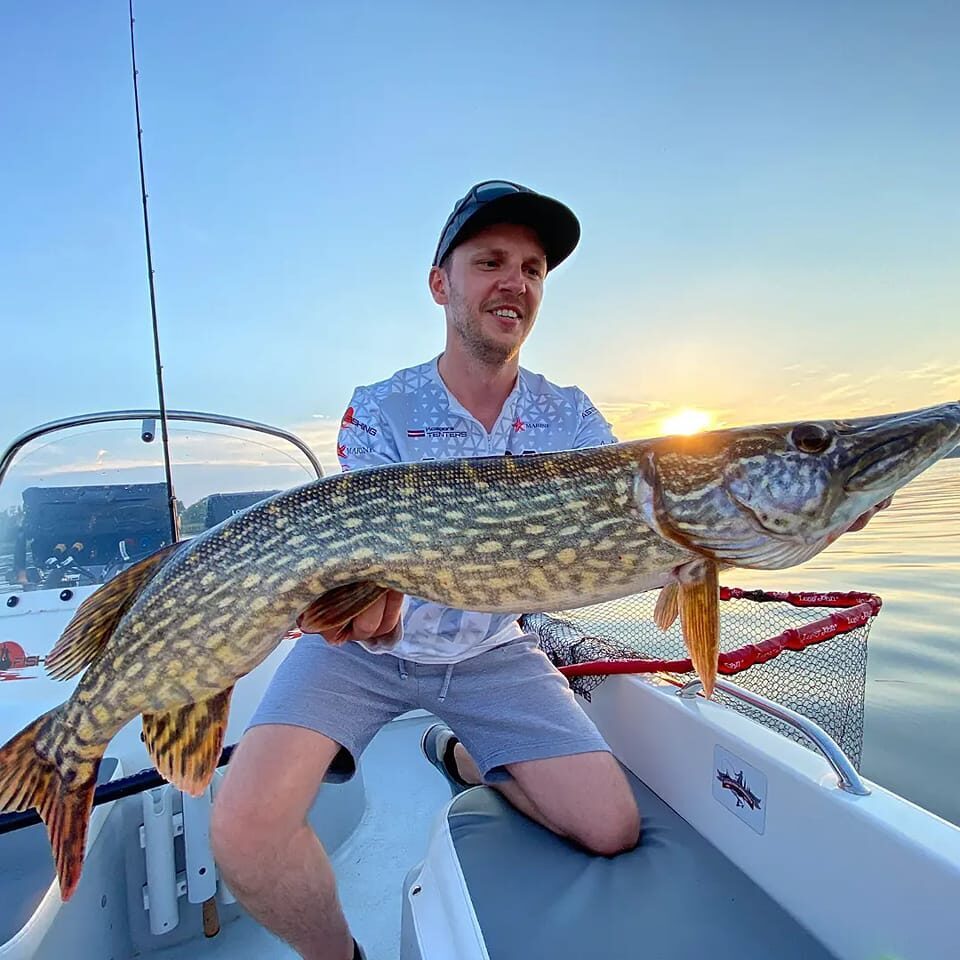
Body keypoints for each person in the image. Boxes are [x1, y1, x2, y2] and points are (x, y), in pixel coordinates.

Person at [210, 180, 889, 960]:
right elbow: (364, 569)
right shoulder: (382, 407)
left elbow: (654, 524)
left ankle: (456, 750)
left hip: (491, 652)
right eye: (491, 262)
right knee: (245, 832)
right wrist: (351, 604)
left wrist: (796, 517)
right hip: (363, 654)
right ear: (440, 284)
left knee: (610, 827)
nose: (516, 282)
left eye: (532, 269)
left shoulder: (569, 416)